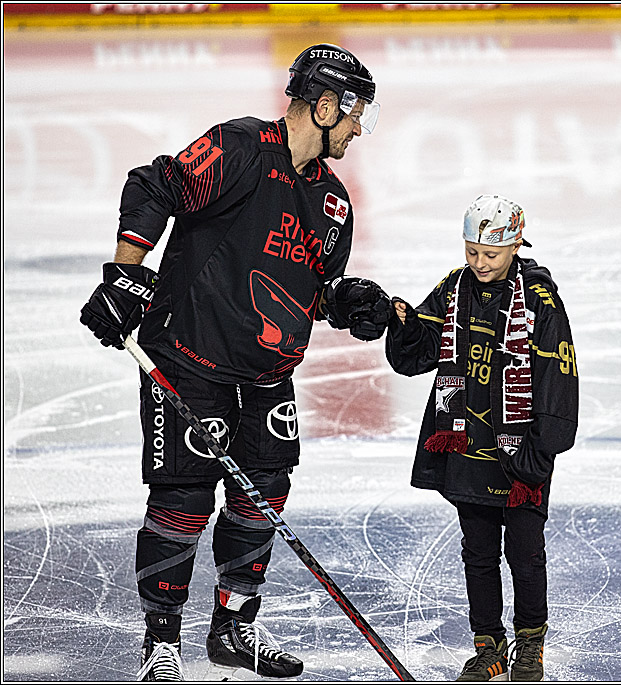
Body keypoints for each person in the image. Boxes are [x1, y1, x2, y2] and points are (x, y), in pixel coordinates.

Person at [79, 44, 392, 681]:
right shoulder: (242, 148)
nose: (361, 126)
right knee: (183, 499)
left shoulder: (333, 206)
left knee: (264, 496)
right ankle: (161, 643)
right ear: (325, 105)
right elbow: (154, 183)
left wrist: (346, 303)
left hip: (268, 376)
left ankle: (234, 629)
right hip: (191, 359)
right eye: (356, 111)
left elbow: (305, 287)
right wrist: (125, 278)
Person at [385, 195, 578, 681]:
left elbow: (559, 373)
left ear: (514, 245)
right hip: (467, 446)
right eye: (472, 252)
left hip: (520, 453)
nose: (478, 263)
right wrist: (404, 325)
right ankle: (489, 647)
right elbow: (420, 350)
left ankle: (530, 646)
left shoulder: (540, 300)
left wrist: (545, 445)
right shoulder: (454, 287)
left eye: (489, 255)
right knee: (478, 552)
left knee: (526, 554)